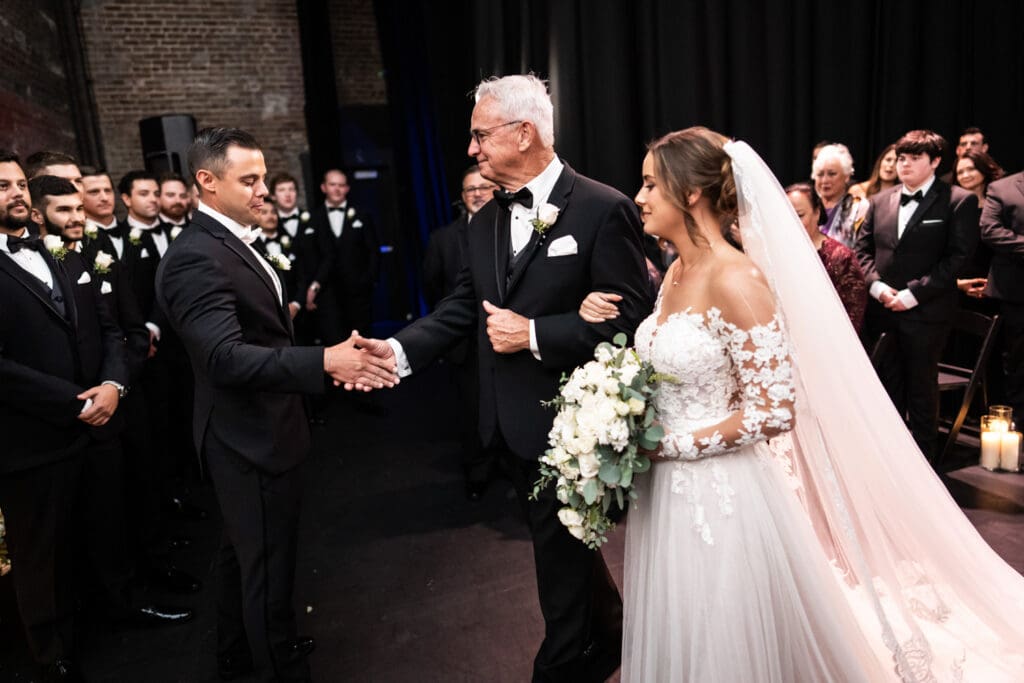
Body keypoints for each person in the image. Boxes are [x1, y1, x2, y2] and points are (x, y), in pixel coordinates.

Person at [583, 127, 1024, 681]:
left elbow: (772, 412)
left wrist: (667, 445)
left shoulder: (737, 278)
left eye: (650, 184)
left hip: (721, 495)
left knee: (725, 634)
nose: (639, 197)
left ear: (690, 192)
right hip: (667, 491)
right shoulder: (675, 272)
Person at [357, 75, 653, 681]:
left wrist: (537, 334)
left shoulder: (602, 208)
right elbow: (462, 306)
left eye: (479, 135)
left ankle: (565, 665)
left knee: (558, 565)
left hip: (577, 425)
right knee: (565, 550)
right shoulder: (484, 220)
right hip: (510, 423)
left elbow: (632, 318)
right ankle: (612, 631)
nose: (471, 149)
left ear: (524, 132)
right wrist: (395, 351)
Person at [155, 127, 398, 682]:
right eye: (250, 180)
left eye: (264, 177)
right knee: (268, 570)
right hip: (247, 438)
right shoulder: (196, 257)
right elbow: (223, 359)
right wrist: (323, 362)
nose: (264, 190)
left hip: (263, 428)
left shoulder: (229, 239)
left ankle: (236, 652)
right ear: (206, 183)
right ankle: (279, 663)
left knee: (243, 556)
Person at [855, 129, 979, 460]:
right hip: (882, 308)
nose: (904, 165)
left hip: (926, 312)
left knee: (921, 390)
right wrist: (878, 287)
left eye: (914, 158)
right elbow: (862, 250)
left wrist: (913, 294)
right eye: (901, 158)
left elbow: (958, 258)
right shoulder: (880, 200)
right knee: (884, 388)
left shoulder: (957, 200)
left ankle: (925, 467)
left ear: (936, 161)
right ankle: (888, 460)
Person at [422, 165, 497, 500]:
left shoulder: (511, 230)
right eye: (470, 189)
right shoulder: (442, 239)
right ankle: (478, 471)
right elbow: (432, 288)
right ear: (462, 197)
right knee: (471, 410)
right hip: (463, 344)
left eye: (483, 187)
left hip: (507, 339)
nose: (477, 193)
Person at [306, 168, 379, 343]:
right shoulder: (313, 219)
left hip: (359, 294)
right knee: (334, 343)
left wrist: (369, 281)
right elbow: (310, 257)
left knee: (363, 343)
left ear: (347, 189)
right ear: (324, 187)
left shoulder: (362, 215)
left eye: (341, 185)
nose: (337, 189)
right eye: (333, 185)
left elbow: (373, 252)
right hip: (328, 296)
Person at [785, 182, 866, 330]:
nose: (792, 222)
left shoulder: (840, 256)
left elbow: (853, 314)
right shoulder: (779, 252)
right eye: (786, 215)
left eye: (799, 215)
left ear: (817, 213)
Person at [980, 170, 1024, 424]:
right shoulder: (1002, 188)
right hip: (1015, 292)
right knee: (1016, 362)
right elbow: (990, 230)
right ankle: (1017, 423)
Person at [953, 150, 1005, 304]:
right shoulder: (952, 209)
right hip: (958, 287)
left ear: (984, 169)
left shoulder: (1001, 205)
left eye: (971, 169)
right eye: (960, 172)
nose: (965, 175)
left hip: (995, 287)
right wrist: (957, 283)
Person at [812, 143, 867, 248]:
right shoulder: (809, 206)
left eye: (832, 174)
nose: (825, 180)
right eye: (820, 174)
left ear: (846, 176)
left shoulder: (858, 207)